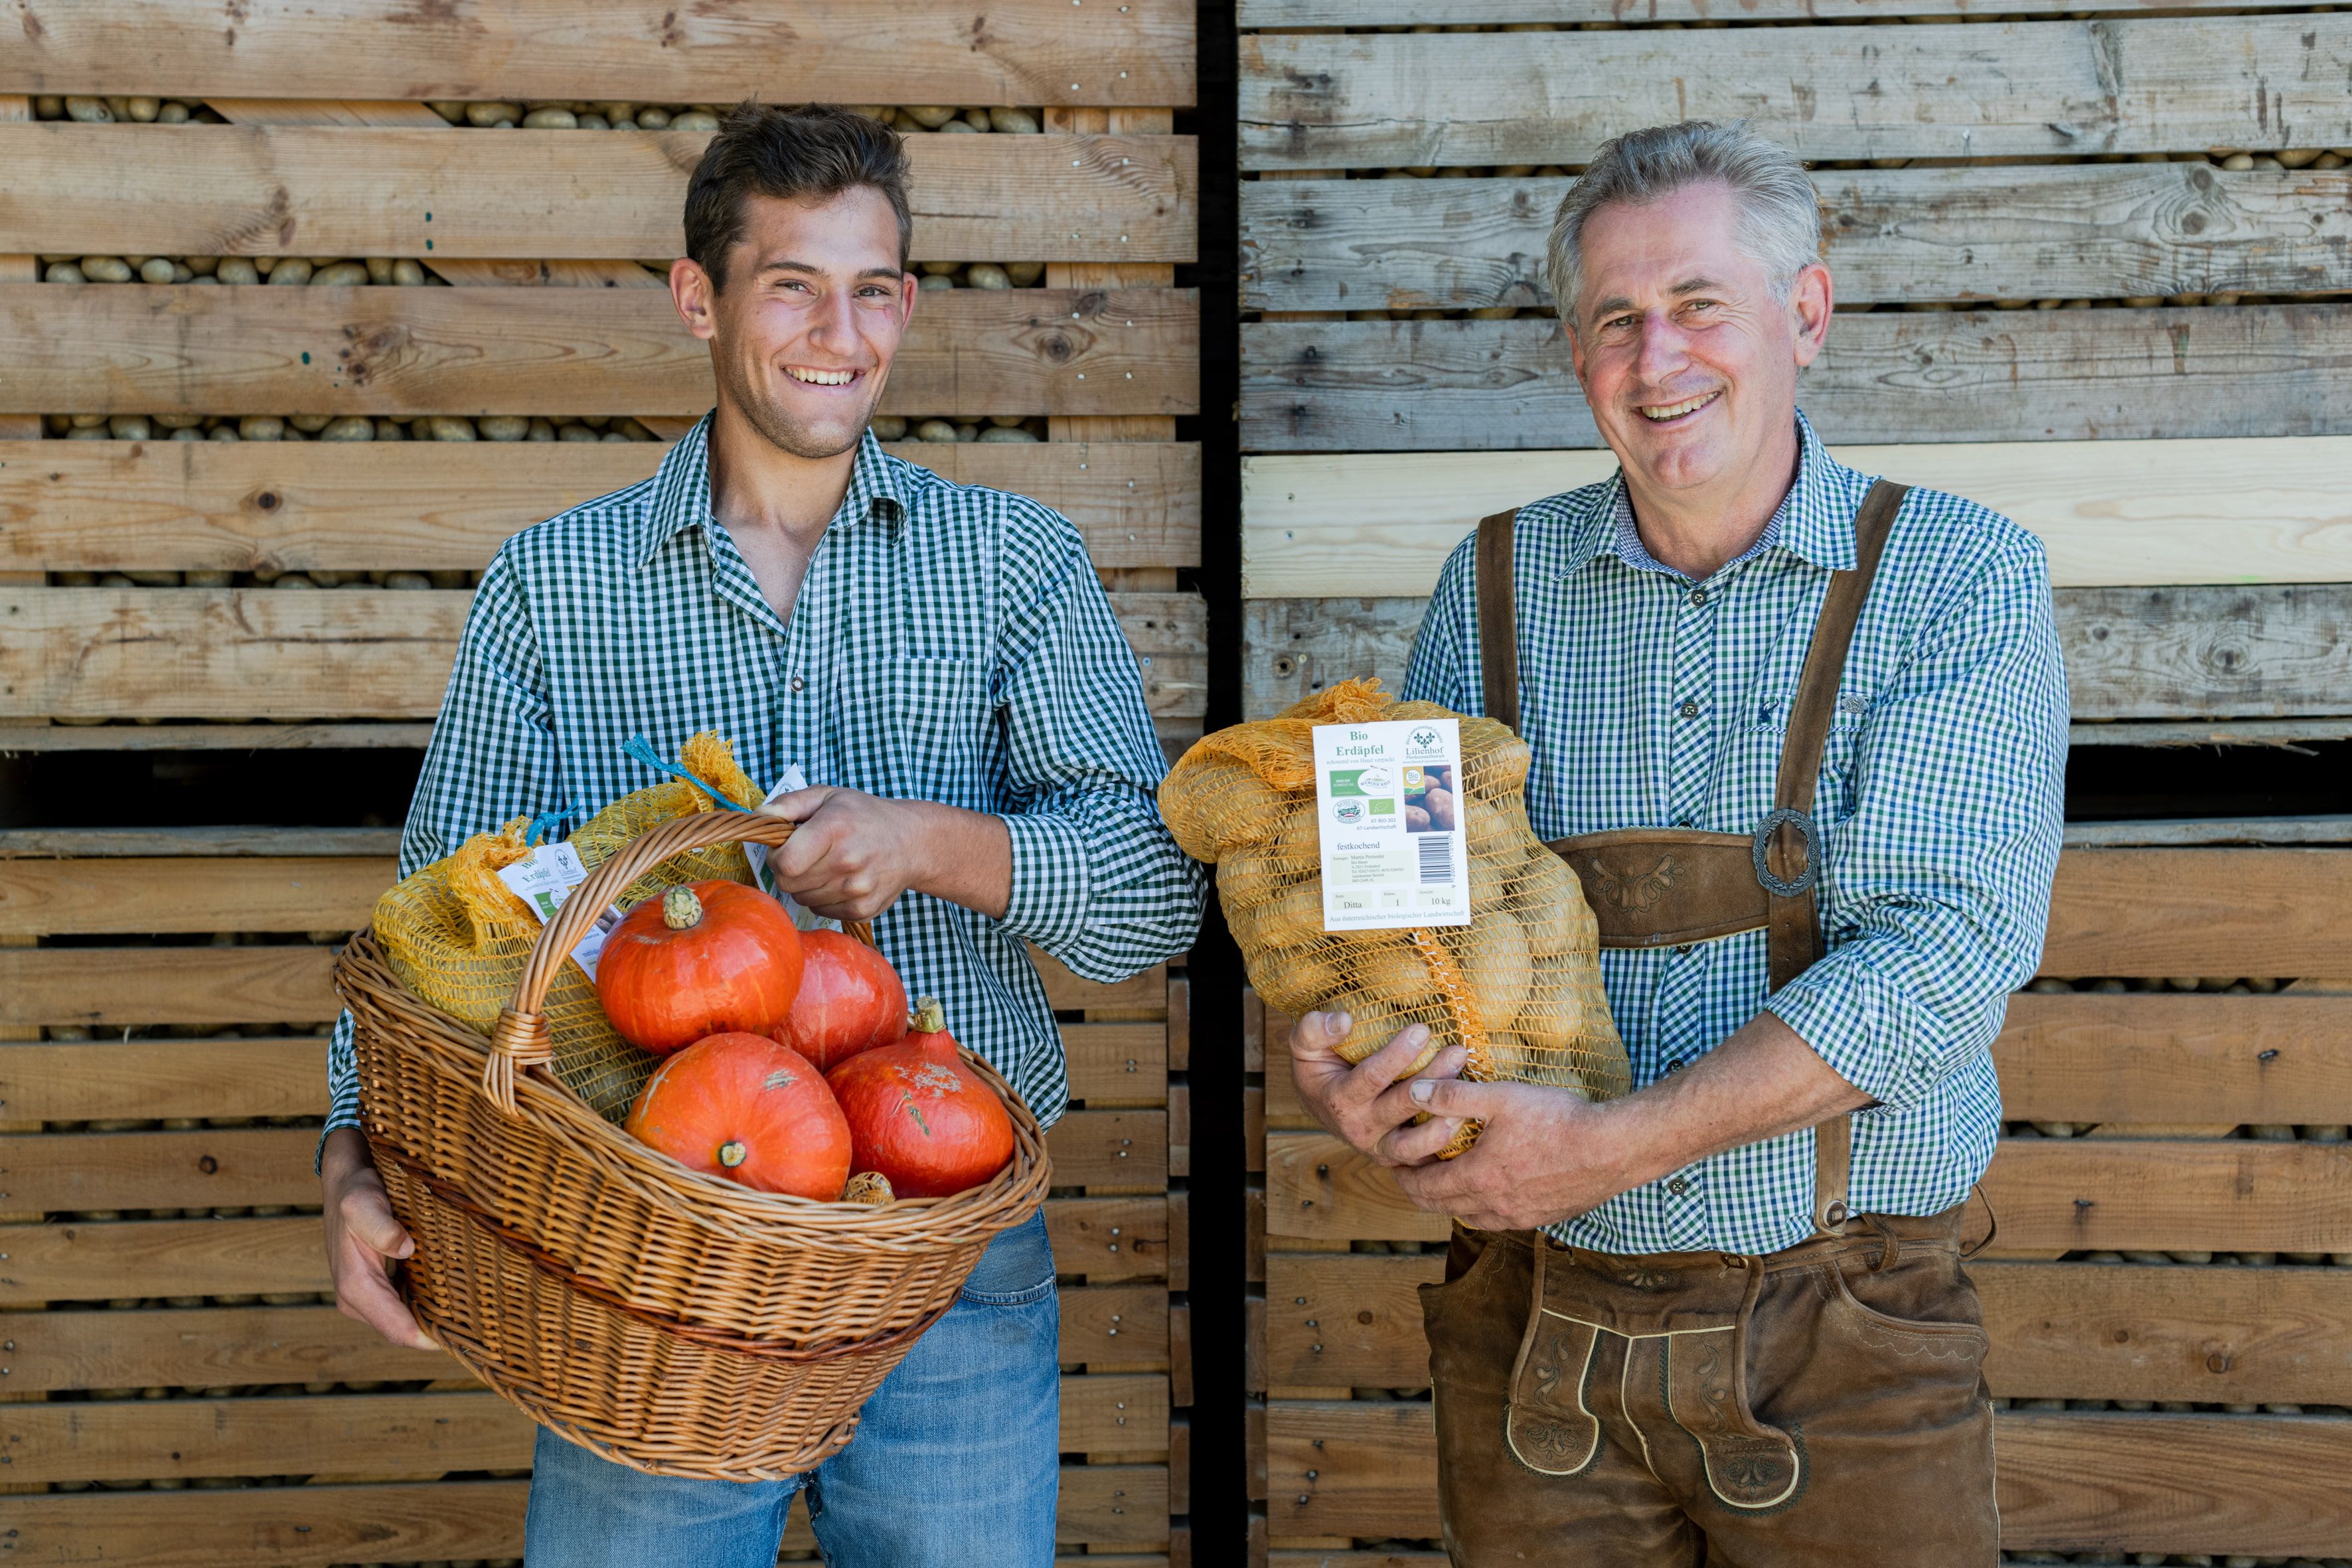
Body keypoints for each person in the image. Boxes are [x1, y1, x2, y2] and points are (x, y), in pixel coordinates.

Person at [317, 103, 1205, 1567]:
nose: (834, 332)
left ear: (906, 306)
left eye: (869, 289)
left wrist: (927, 845)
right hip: (648, 1259)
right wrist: (347, 1154)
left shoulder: (1013, 567)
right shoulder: (558, 587)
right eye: (790, 283)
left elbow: (1149, 895)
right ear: (699, 298)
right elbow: (427, 926)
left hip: (942, 1255)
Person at [1287, 121, 2066, 1565]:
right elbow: (1393, 915)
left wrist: (1603, 1148)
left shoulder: (1956, 575)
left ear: (1806, 315)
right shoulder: (1491, 583)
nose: (1658, 361)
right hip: (1531, 1327)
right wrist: (1353, 1057)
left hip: (1844, 1326)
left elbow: (1944, 960)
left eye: (1699, 305)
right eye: (1613, 321)